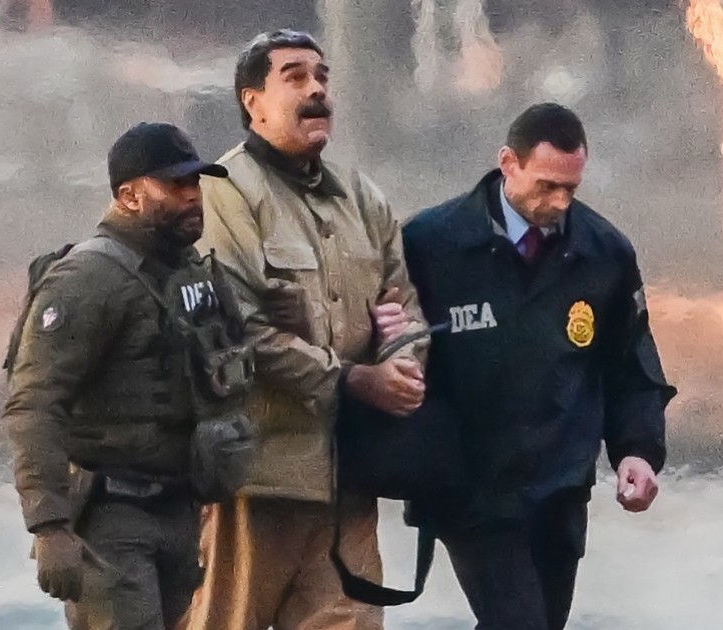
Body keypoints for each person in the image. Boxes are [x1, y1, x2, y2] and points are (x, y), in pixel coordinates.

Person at [180, 30, 427, 630]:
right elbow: (237, 328)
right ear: (253, 102)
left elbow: (407, 307)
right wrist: (353, 380)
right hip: (255, 478)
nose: (316, 89)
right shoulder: (223, 191)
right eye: (294, 77)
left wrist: (402, 364)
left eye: (322, 76)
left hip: (348, 478)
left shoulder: (361, 197)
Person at [401, 103, 675, 630]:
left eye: (571, 188)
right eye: (547, 186)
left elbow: (630, 364)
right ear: (509, 163)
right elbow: (387, 351)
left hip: (560, 485)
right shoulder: (430, 244)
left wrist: (638, 451)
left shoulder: (604, 252)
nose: (560, 203)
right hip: (470, 486)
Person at [4, 122, 255, 630]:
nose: (193, 196)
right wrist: (49, 525)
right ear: (129, 196)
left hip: (179, 510)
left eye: (195, 183)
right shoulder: (88, 278)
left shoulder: (190, 270)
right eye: (175, 185)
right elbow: (35, 403)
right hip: (112, 517)